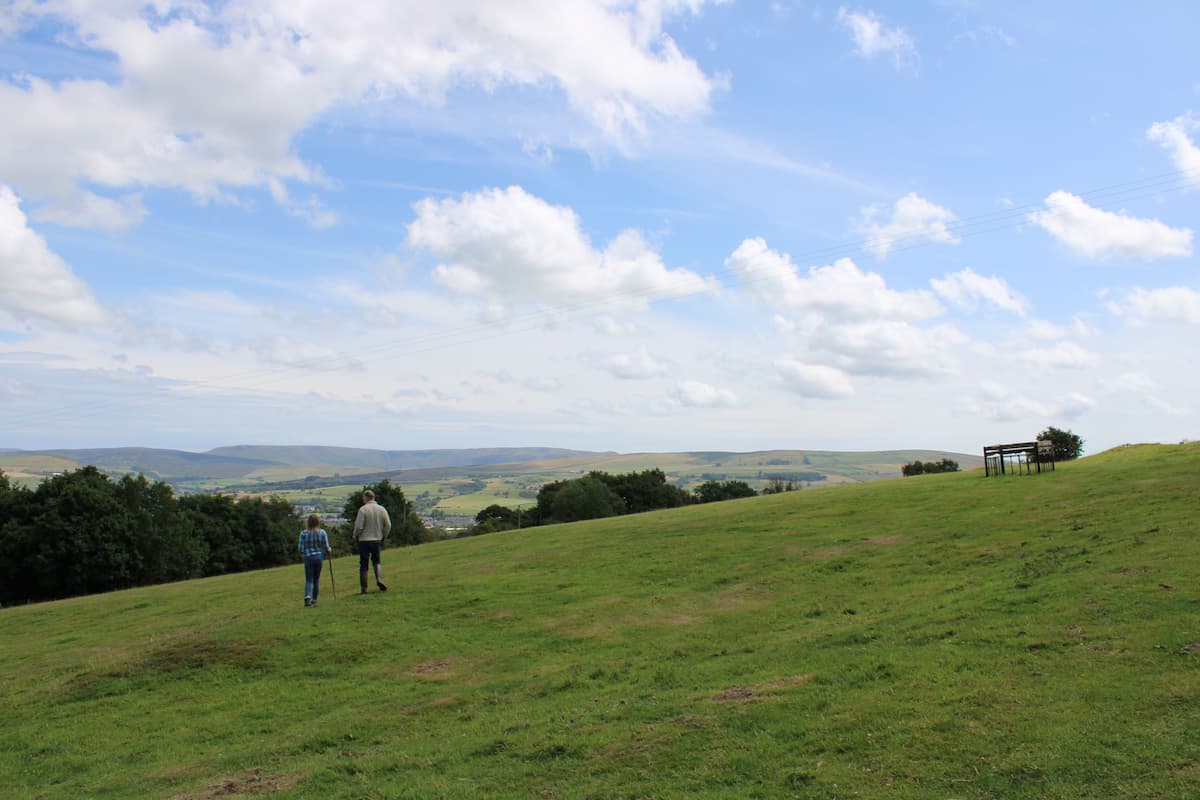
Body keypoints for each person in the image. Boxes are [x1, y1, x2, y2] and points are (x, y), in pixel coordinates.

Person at [353, 490, 392, 594]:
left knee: (363, 564)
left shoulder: (363, 509)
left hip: (364, 540)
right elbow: (388, 525)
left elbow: (359, 526)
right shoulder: (381, 509)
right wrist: (384, 535)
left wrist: (355, 535)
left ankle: (364, 588)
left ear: (366, 498)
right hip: (377, 539)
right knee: (377, 561)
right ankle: (379, 579)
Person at [298, 514, 332, 607]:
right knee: (316, 579)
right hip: (318, 557)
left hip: (308, 558)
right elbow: (326, 546)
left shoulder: (304, 533)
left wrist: (304, 552)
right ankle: (314, 599)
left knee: (308, 579)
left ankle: (307, 597)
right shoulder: (322, 532)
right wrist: (328, 550)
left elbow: (300, 548)